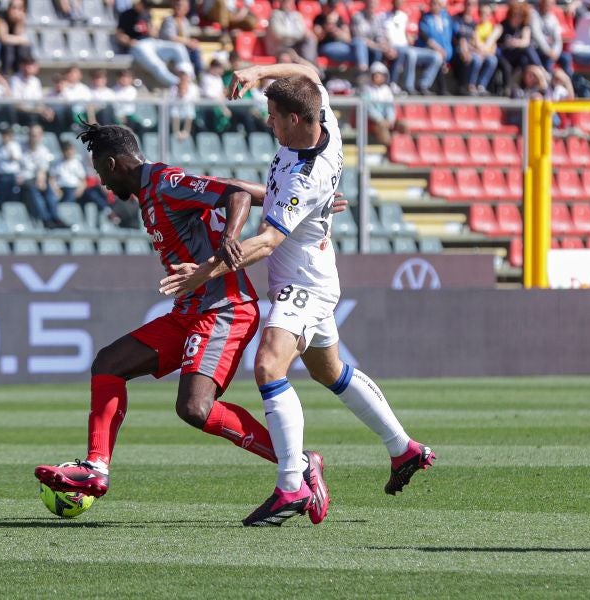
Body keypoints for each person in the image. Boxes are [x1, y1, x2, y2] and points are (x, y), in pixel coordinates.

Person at [159, 62, 434, 526]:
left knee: (269, 364)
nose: (268, 122)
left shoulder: (303, 177)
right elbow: (306, 69)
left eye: (274, 116)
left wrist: (201, 274)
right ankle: (403, 448)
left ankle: (291, 485)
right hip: (316, 270)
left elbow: (266, 243)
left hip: (302, 283)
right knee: (332, 372)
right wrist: (255, 71)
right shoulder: (320, 113)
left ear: (298, 120)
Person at [35, 120, 330, 526]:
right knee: (108, 363)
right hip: (189, 311)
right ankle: (96, 468)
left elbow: (235, 194)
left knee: (194, 408)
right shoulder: (151, 190)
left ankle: (297, 462)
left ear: (113, 162)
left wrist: (230, 235)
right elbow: (238, 187)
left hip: (224, 308)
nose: (102, 181)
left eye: (101, 171)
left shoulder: (164, 180)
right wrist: (309, 202)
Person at [116, 0, 194, 87]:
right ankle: (177, 84)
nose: (147, 6)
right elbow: (119, 35)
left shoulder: (146, 13)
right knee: (158, 65)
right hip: (137, 45)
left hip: (151, 43)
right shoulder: (127, 14)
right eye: (145, 4)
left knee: (179, 47)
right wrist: (129, 42)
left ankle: (189, 79)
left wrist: (154, 30)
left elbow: (153, 33)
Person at [0, 0, 32, 74]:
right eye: (14, 8)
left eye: (19, 8)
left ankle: (19, 74)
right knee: (8, 49)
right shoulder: (1, 16)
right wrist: (21, 40)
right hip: (0, 45)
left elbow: (18, 34)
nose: (16, 11)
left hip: (13, 45)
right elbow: (3, 38)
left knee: (23, 48)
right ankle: (4, 74)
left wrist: (20, 21)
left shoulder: (21, 18)